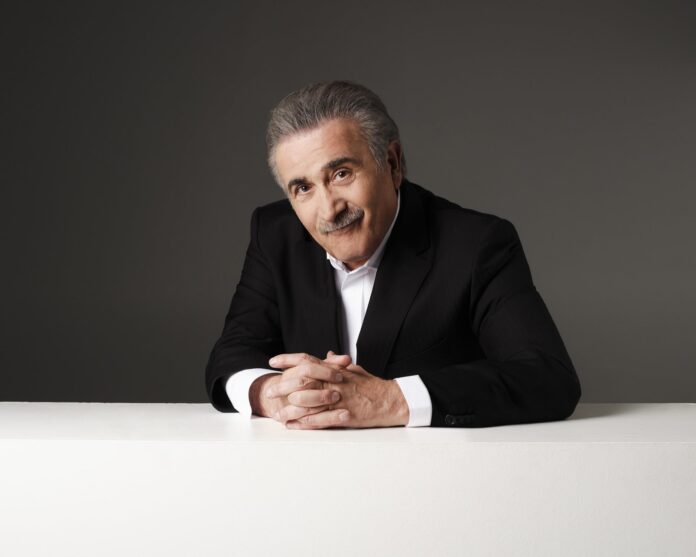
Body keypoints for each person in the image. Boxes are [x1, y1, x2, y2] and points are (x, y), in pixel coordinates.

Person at [205, 81, 581, 429]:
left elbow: (547, 377)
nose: (329, 210)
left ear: (393, 163)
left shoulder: (477, 243)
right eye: (303, 188)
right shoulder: (274, 235)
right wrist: (271, 392)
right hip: (314, 470)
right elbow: (231, 355)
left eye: (341, 174)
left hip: (443, 470)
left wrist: (390, 399)